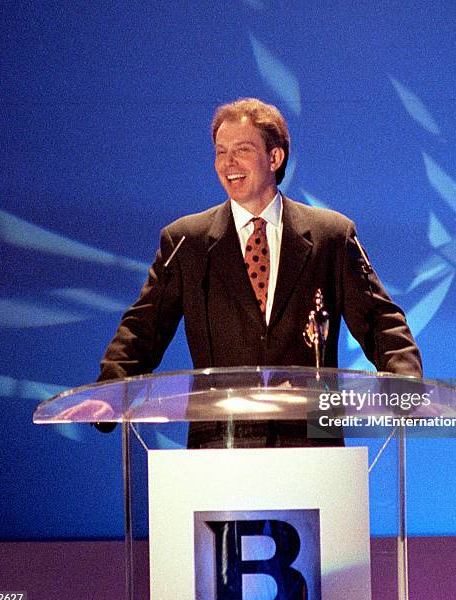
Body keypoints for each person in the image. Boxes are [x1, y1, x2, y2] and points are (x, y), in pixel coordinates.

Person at [96, 98, 422, 445]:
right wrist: (109, 392)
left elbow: (380, 321)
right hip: (220, 445)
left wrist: (405, 384)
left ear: (275, 157)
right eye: (221, 152)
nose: (228, 163)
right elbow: (142, 329)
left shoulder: (331, 236)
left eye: (242, 149)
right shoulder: (185, 242)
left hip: (313, 446)